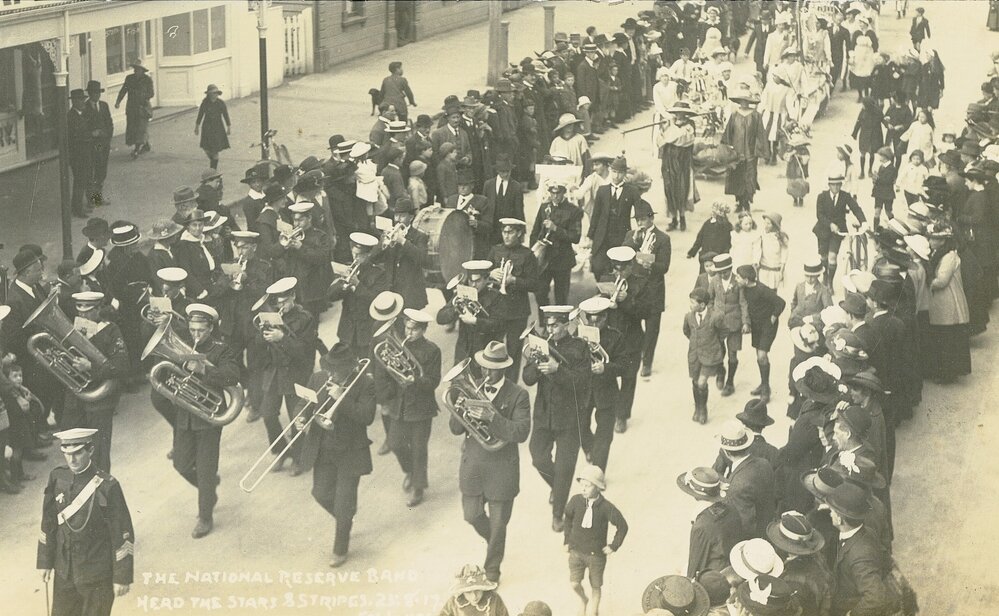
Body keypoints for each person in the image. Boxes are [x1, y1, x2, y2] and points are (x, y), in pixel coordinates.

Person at [451, 341, 531, 583]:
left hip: (501, 468)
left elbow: (521, 432)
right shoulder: (472, 389)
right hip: (474, 465)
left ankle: (492, 568)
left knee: (498, 524)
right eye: (483, 367)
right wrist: (458, 410)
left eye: (491, 369)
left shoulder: (519, 395)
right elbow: (455, 429)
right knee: (472, 516)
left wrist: (492, 417)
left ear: (503, 369)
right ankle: (496, 541)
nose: (485, 373)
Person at [160, 304, 240, 539]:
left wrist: (204, 369)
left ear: (211, 328)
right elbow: (167, 375)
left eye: (201, 330)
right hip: (185, 415)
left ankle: (205, 516)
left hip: (209, 417)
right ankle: (209, 491)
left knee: (205, 470)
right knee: (181, 465)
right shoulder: (183, 346)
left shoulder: (221, 350)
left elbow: (233, 376)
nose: (195, 335)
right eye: (193, 330)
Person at [38, 428, 134, 616]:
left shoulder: (108, 486)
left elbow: (122, 533)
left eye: (77, 453)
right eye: (66, 454)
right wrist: (44, 561)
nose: (71, 460)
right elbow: (48, 523)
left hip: (97, 575)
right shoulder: (58, 477)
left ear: (90, 450)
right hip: (64, 573)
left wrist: (122, 576)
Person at [294, 342, 375, 567]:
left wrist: (342, 397)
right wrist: (300, 418)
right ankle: (345, 518)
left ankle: (340, 548)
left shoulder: (365, 384)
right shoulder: (319, 378)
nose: (333, 376)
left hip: (351, 451)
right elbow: (304, 403)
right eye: (331, 370)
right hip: (324, 449)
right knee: (320, 493)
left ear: (349, 369)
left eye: (338, 372)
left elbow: (366, 416)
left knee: (342, 505)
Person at [524, 305, 590, 532]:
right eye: (547, 325)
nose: (550, 329)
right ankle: (559, 488)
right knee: (537, 457)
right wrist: (534, 363)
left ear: (567, 325)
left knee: (564, 467)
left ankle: (558, 512)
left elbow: (583, 381)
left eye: (555, 325)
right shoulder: (542, 344)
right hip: (544, 414)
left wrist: (557, 369)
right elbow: (528, 379)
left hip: (569, 417)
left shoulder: (580, 348)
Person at [247, 277, 317, 473]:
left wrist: (282, 338)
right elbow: (258, 347)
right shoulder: (269, 317)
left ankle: (299, 456)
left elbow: (305, 352)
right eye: (277, 303)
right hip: (275, 372)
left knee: (298, 417)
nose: (281, 306)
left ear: (293, 296)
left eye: (285, 301)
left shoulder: (305, 318)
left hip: (297, 373)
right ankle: (281, 451)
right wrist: (262, 338)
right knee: (268, 413)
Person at [59, 291, 128, 473]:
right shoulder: (72, 330)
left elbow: (121, 366)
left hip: (99, 400)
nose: (82, 315)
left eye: (88, 311)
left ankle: (102, 494)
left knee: (98, 453)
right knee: (72, 451)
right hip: (74, 399)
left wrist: (90, 367)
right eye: (79, 311)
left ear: (98, 309)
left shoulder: (111, 330)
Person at [381, 309, 440, 507]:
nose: (409, 333)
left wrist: (414, 381)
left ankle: (418, 487)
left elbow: (432, 382)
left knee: (418, 449)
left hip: (422, 407)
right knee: (395, 443)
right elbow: (390, 376)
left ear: (423, 330)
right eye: (407, 328)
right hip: (400, 404)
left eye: (414, 330)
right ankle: (410, 471)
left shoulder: (432, 351)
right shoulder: (398, 348)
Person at [563, 465, 628, 616]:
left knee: (596, 586)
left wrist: (613, 545)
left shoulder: (606, 507)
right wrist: (567, 540)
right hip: (576, 552)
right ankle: (583, 600)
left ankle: (594, 610)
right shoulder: (575, 501)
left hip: (596, 556)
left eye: (588, 486)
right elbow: (567, 519)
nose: (583, 489)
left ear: (598, 488)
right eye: (582, 485)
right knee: (574, 583)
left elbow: (622, 526)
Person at [575, 296, 631, 470]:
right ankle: (590, 448)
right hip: (583, 390)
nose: (593, 325)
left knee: (605, 435)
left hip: (606, 391)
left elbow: (624, 366)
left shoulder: (616, 337)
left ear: (605, 318)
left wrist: (605, 368)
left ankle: (598, 472)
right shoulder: (578, 337)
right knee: (579, 426)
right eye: (590, 320)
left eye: (598, 320)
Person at [827, 483, 892, 616]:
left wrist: (852, 614)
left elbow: (875, 598)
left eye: (832, 510)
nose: (830, 513)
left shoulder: (859, 556)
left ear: (839, 519)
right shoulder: (866, 531)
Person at [623, 199, 670, 377]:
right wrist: (634, 242)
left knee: (652, 328)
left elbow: (664, 266)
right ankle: (641, 350)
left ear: (651, 219)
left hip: (653, 289)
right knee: (634, 326)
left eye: (643, 219)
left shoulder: (663, 239)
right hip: (635, 289)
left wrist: (651, 265)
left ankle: (647, 362)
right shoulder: (630, 235)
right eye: (637, 220)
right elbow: (622, 255)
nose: (640, 223)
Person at [487, 218, 539, 380]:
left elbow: (535, 284)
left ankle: (510, 385)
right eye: (504, 232)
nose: (506, 236)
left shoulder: (528, 255)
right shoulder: (495, 250)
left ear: (518, 233)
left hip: (517, 311)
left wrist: (514, 280)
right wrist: (490, 273)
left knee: (514, 351)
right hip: (495, 308)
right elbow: (482, 274)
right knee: (493, 349)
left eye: (510, 232)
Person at [328, 233, 389, 356]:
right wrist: (342, 284)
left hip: (365, 329)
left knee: (364, 363)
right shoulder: (348, 270)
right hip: (347, 330)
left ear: (368, 255)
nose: (355, 258)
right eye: (353, 253)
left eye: (359, 255)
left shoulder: (379, 274)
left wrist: (357, 285)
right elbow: (330, 296)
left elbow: (377, 301)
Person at [676, 466, 744, 578]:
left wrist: (689, 579)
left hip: (714, 574)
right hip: (732, 563)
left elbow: (696, 562)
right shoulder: (731, 507)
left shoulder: (702, 524)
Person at [924, 223, 971, 383]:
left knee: (947, 338)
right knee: (943, 338)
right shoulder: (939, 253)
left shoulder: (949, 257)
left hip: (948, 301)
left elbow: (942, 281)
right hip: (941, 302)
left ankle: (948, 374)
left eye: (933, 239)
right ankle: (944, 372)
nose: (930, 241)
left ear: (943, 241)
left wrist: (927, 281)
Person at [437, 260, 502, 365]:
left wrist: (476, 321)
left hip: (486, 349)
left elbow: (499, 325)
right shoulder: (462, 294)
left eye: (478, 281)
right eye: (471, 281)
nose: (473, 285)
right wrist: (455, 308)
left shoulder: (496, 296)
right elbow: (440, 318)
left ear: (486, 279)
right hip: (464, 349)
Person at [718, 420, 776, 539]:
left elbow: (745, 526)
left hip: (753, 540)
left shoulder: (738, 485)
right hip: (768, 528)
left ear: (726, 452)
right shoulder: (764, 463)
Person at [736, 265, 785, 402]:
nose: (736, 279)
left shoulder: (762, 290)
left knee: (762, 356)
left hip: (767, 327)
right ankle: (764, 384)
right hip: (757, 326)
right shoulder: (744, 289)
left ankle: (765, 389)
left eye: (738, 277)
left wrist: (773, 317)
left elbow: (780, 303)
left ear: (746, 280)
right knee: (759, 356)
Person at [530, 182, 583, 309]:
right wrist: (533, 253)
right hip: (544, 258)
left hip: (562, 259)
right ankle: (544, 323)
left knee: (561, 297)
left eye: (558, 193)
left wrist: (555, 229)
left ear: (564, 193)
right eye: (552, 193)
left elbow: (575, 237)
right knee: (540, 293)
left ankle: (560, 325)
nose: (555, 196)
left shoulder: (574, 211)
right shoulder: (544, 208)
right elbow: (535, 232)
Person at [588, 157, 638, 279]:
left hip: (621, 236)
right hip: (602, 236)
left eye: (620, 173)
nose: (616, 176)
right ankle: (602, 289)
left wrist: (638, 233)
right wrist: (590, 236)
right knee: (598, 266)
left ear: (625, 174)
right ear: (610, 171)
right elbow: (596, 215)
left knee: (619, 268)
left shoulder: (631, 191)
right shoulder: (602, 191)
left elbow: (640, 211)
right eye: (614, 172)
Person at [813, 173, 866, 288]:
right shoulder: (822, 197)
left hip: (838, 232)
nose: (836, 187)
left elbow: (856, 208)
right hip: (822, 231)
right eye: (833, 185)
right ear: (829, 185)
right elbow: (819, 215)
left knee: (832, 257)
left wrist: (864, 222)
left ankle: (830, 282)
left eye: (838, 185)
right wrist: (830, 224)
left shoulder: (845, 196)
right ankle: (825, 276)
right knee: (824, 257)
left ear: (841, 185)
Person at [722, 86, 769, 212]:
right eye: (741, 100)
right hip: (736, 153)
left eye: (746, 100)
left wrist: (761, 151)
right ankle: (739, 201)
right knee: (736, 176)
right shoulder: (734, 115)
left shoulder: (756, 116)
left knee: (749, 177)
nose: (744, 103)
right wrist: (727, 148)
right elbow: (728, 134)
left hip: (750, 152)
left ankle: (746, 202)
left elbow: (760, 134)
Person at [684, 287, 725, 424]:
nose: (690, 305)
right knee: (695, 382)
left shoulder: (715, 317)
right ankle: (697, 407)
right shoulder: (689, 316)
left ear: (702, 305)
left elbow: (723, 332)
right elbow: (687, 331)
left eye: (693, 302)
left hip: (710, 355)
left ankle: (703, 409)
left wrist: (714, 344)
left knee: (702, 382)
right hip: (694, 355)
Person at [712, 399, 779, 476]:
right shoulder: (772, 452)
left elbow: (714, 473)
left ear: (743, 423)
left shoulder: (731, 444)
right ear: (764, 426)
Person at [659, 104, 698, 231]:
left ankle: (682, 218)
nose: (679, 115)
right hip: (669, 161)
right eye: (677, 112)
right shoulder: (668, 124)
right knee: (669, 189)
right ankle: (673, 219)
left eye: (682, 112)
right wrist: (665, 129)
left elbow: (683, 139)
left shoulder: (689, 126)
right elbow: (660, 140)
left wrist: (669, 131)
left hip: (683, 162)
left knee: (682, 189)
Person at [446, 171, 493, 259]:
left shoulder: (482, 201)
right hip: (454, 245)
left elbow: (489, 225)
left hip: (473, 244)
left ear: (472, 186)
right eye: (460, 185)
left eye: (466, 185)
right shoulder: (451, 200)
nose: (462, 188)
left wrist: (476, 223)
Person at [114, 59, 153, 159]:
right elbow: (123, 90)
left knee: (141, 127)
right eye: (135, 69)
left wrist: (142, 96)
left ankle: (136, 150)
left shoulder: (147, 80)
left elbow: (151, 93)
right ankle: (145, 144)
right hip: (131, 107)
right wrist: (118, 101)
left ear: (143, 70)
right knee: (133, 127)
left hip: (142, 107)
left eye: (138, 69)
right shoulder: (129, 78)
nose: (136, 71)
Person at [439, 564, 510, 616]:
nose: (474, 596)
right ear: (462, 592)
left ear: (483, 588)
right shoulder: (454, 602)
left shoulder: (494, 599)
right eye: (468, 592)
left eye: (478, 590)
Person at [85, 81, 113, 208]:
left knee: (102, 170)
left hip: (103, 144)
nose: (96, 95)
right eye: (93, 93)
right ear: (90, 94)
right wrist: (92, 133)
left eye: (98, 93)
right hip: (92, 145)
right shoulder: (85, 108)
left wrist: (107, 137)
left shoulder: (104, 106)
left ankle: (98, 198)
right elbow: (83, 128)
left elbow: (109, 123)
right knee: (91, 170)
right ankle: (92, 199)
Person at [67, 89, 95, 218]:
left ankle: (93, 201)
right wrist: (91, 135)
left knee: (89, 178)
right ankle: (77, 209)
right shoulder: (71, 117)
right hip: (78, 155)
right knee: (80, 181)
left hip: (86, 153)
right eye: (80, 100)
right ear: (74, 101)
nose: (83, 102)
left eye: (83, 99)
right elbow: (76, 137)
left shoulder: (83, 114)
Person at [485, 158, 525, 245]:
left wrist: (522, 231)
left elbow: (519, 210)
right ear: (497, 171)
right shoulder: (488, 185)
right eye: (502, 171)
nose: (506, 174)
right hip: (492, 228)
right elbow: (484, 206)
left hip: (508, 228)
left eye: (508, 171)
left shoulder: (516, 187)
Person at [687, 201, 733, 271]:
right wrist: (693, 251)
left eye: (715, 210)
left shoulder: (726, 226)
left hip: (719, 256)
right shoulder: (708, 223)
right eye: (712, 210)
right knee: (704, 275)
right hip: (706, 256)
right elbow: (700, 238)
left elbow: (729, 243)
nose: (712, 212)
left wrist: (725, 255)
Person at [194, 84, 231, 171]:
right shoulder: (205, 103)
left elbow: (226, 115)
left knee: (215, 150)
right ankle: (213, 161)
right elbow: (200, 115)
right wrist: (197, 126)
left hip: (218, 128)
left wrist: (228, 127)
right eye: (214, 93)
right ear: (209, 94)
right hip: (207, 128)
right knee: (206, 148)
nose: (215, 95)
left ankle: (213, 169)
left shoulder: (221, 103)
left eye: (217, 93)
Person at [852, 97, 884, 179]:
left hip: (874, 136)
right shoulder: (863, 111)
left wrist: (888, 125)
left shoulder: (877, 111)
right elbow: (858, 122)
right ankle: (862, 171)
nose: (862, 105)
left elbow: (883, 120)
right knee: (862, 153)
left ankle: (870, 170)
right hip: (864, 135)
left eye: (863, 104)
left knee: (871, 153)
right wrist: (854, 133)